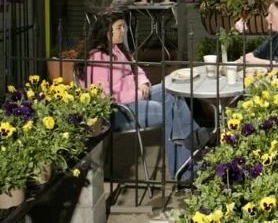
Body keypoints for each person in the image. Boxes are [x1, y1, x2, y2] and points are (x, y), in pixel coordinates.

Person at [78, 13, 208, 181]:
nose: (124, 31)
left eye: (124, 27)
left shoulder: (118, 49)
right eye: (119, 27)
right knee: (170, 108)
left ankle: (190, 141)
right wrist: (138, 94)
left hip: (136, 97)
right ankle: (186, 168)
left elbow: (137, 70)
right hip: (118, 111)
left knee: (172, 90)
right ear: (106, 32)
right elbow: (105, 97)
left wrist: (143, 83)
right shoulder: (98, 58)